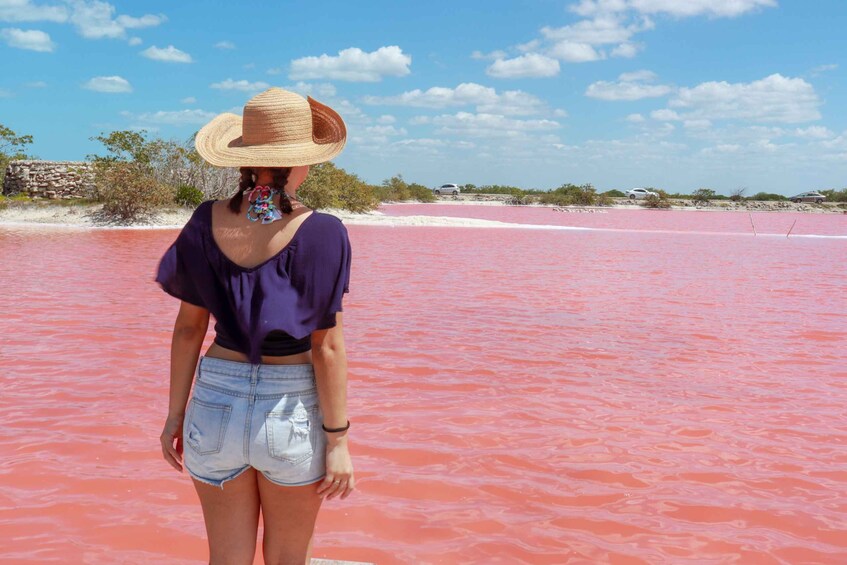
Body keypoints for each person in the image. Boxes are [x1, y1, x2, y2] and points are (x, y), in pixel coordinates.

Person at [154, 87, 355, 565]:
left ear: (245, 159)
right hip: (289, 410)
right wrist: (339, 441)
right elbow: (327, 348)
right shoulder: (324, 232)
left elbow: (188, 331)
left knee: (225, 559)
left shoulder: (205, 220)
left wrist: (174, 417)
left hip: (215, 401)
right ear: (300, 161)